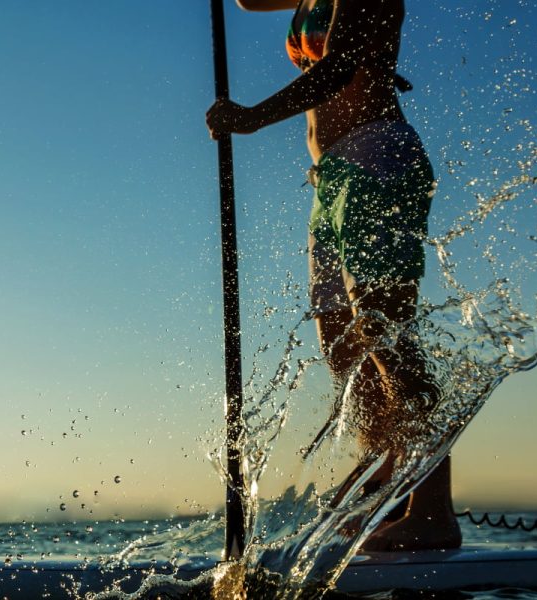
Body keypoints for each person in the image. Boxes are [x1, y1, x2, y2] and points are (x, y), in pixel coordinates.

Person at [205, 0, 460, 551]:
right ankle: (382, 472)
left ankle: (434, 510)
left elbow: (339, 65)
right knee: (343, 346)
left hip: (378, 162)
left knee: (385, 338)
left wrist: (250, 118)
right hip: (330, 179)